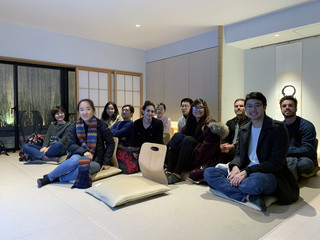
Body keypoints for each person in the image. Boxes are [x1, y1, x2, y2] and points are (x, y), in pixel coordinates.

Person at [204, 92, 299, 212]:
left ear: (264, 107)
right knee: (209, 172)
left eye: (257, 105)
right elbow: (239, 154)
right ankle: (247, 196)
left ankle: (236, 188)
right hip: (245, 170)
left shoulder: (277, 129)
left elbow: (275, 163)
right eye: (248, 106)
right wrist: (235, 167)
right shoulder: (245, 129)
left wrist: (247, 172)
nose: (252, 109)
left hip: (268, 174)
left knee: (255, 182)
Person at [37, 99, 115, 188]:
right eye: (81, 109)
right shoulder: (74, 126)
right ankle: (49, 177)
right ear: (78, 112)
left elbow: (110, 143)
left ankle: (56, 178)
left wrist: (106, 162)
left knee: (83, 168)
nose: (85, 112)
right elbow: (71, 144)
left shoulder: (102, 125)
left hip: (96, 160)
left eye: (88, 109)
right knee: (74, 160)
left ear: (93, 110)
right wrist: (84, 152)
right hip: (78, 154)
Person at [165, 98, 227, 184]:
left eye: (200, 107)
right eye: (195, 108)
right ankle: (169, 171)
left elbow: (207, 149)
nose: (198, 110)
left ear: (205, 110)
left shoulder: (210, 125)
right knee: (177, 136)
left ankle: (177, 174)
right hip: (189, 151)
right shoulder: (190, 123)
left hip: (202, 154)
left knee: (188, 139)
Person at [280, 95, 317, 177]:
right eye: (284, 106)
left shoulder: (307, 126)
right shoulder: (279, 127)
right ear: (281, 109)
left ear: (296, 108)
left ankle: (286, 173)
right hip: (286, 158)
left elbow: (308, 150)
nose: (287, 107)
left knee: (305, 164)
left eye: (290, 105)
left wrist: (285, 152)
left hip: (302, 158)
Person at [220, 98, 250, 163]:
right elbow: (224, 137)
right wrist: (223, 145)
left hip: (242, 150)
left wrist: (233, 146)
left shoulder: (250, 122)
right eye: (236, 106)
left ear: (246, 108)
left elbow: (247, 140)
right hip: (229, 149)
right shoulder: (230, 122)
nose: (238, 108)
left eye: (241, 106)